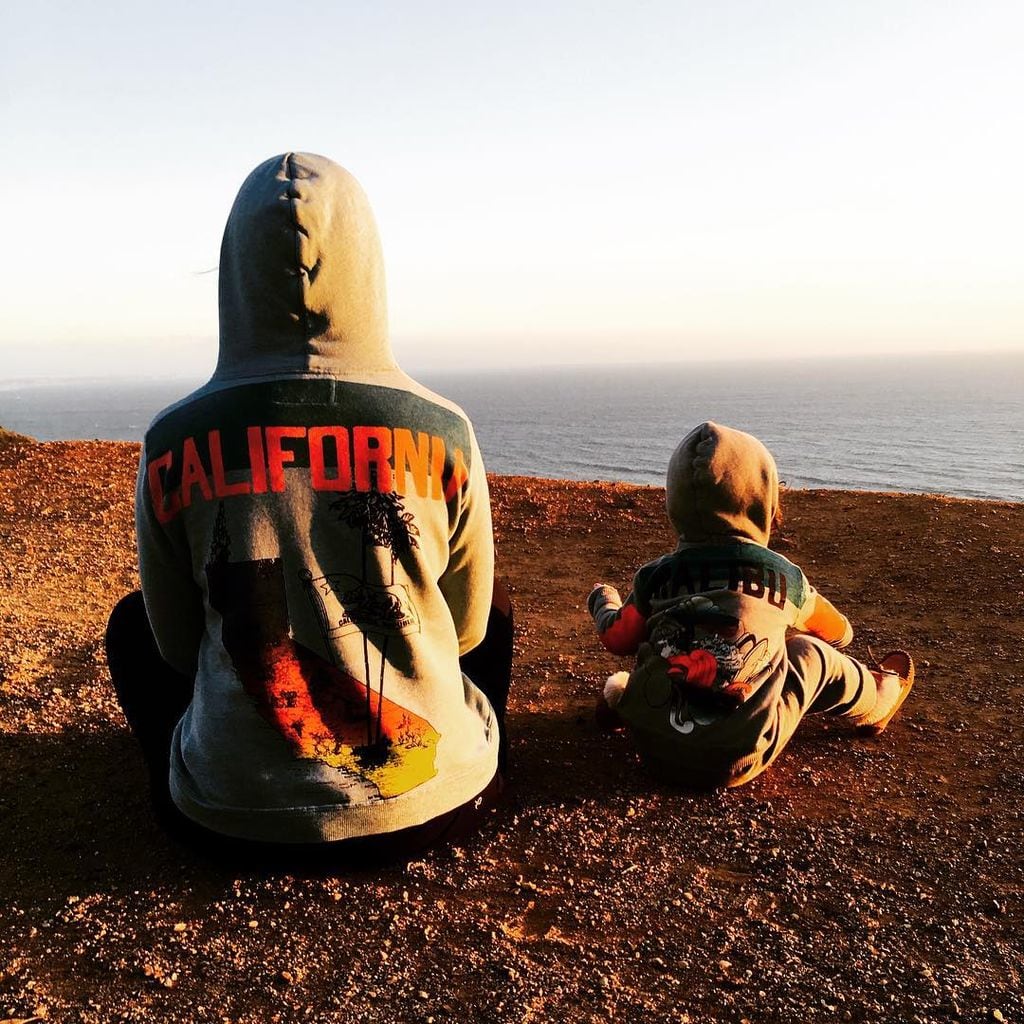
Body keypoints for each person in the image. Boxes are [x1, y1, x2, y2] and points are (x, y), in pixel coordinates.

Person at [106, 152, 512, 862]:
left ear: (235, 273)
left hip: (227, 827)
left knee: (129, 625)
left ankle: (215, 772)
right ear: (367, 266)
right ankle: (457, 762)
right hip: (437, 816)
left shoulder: (172, 439)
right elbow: (472, 629)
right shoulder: (445, 427)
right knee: (497, 601)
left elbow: (173, 647)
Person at [586, 421, 913, 789]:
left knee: (660, 657)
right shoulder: (783, 577)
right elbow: (841, 633)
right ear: (764, 501)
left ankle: (625, 701)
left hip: (651, 748)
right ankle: (876, 700)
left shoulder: (658, 576)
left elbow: (618, 638)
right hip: (737, 758)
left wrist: (603, 600)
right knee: (810, 654)